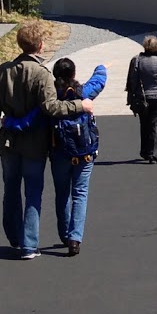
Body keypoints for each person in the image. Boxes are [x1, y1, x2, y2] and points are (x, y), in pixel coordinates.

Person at [0, 21, 90, 259]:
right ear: (40, 46)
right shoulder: (42, 74)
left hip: (8, 139)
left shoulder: (3, 70)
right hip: (34, 142)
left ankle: (15, 236)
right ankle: (30, 244)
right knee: (33, 191)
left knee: (10, 188)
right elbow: (51, 107)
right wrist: (81, 105)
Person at [50, 57, 106, 256]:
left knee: (62, 193)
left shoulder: (52, 96)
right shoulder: (82, 93)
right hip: (84, 153)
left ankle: (65, 234)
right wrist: (101, 67)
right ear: (73, 74)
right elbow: (98, 81)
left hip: (59, 152)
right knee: (80, 193)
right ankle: (75, 238)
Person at [126, 35, 157, 164]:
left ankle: (145, 151)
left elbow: (132, 81)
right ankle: (153, 154)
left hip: (142, 97)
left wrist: (131, 98)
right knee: (156, 125)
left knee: (145, 124)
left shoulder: (137, 60)